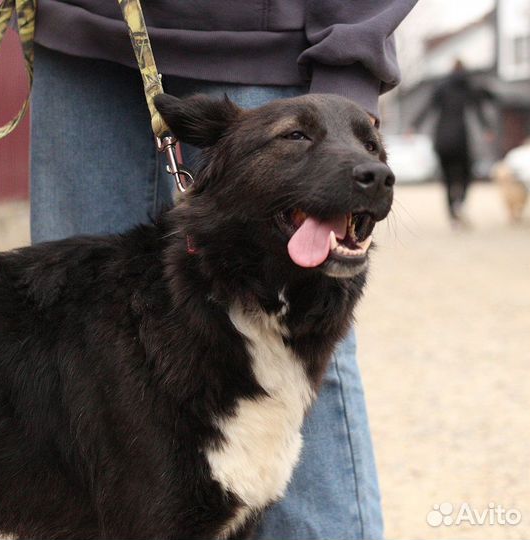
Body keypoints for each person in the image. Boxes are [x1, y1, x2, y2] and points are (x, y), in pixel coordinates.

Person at [29, 1, 416, 538]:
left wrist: (347, 63)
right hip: (82, 34)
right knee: (67, 328)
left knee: (296, 337)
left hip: (269, 40)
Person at [412, 59, 494, 227]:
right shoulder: (467, 86)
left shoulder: (441, 87)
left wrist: (414, 125)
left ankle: (453, 217)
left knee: (448, 178)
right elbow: (478, 108)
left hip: (441, 139)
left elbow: (427, 107)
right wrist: (486, 128)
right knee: (467, 173)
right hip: (460, 138)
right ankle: (460, 202)